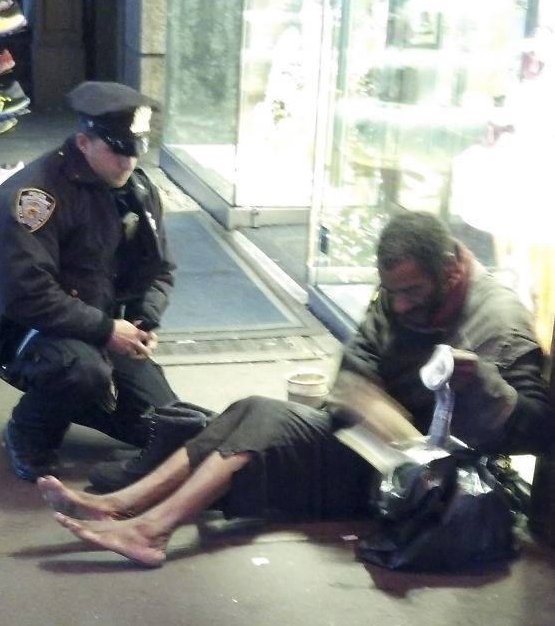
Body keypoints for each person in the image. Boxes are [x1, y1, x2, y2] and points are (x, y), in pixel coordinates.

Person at [36, 210, 555, 567]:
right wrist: (367, 402)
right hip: (378, 449)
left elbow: (533, 429)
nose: (398, 305)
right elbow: (357, 364)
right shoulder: (405, 291)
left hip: (426, 485)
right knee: (252, 408)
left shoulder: (498, 320)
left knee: (264, 425)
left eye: (412, 291)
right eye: (392, 292)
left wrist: (483, 384)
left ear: (450, 269)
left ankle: (151, 531)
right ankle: (125, 505)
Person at [0, 81, 191, 482]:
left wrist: (143, 321)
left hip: (106, 328)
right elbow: (25, 294)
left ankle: (92, 394)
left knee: (163, 429)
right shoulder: (35, 196)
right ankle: (28, 432)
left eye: (137, 150)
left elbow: (161, 268)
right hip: (38, 333)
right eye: (117, 150)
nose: (128, 163)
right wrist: (105, 330)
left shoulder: (136, 188)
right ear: (83, 141)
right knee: (81, 374)